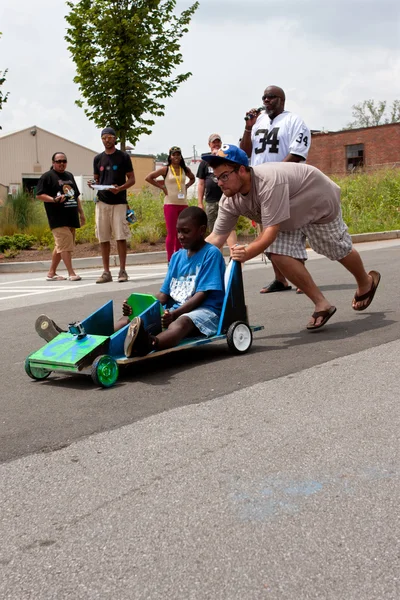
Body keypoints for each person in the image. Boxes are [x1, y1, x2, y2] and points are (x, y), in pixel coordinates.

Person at [204, 145, 381, 331]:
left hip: (315, 200)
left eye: (224, 176)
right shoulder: (229, 200)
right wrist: (188, 254)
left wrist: (245, 253)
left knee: (337, 249)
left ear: (241, 170)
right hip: (285, 215)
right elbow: (217, 236)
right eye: (217, 178)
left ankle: (365, 282)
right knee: (278, 253)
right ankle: (322, 304)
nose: (220, 183)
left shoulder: (268, 182)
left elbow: (270, 232)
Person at [35, 207, 226, 359]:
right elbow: (163, 295)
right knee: (130, 318)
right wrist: (137, 305)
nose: (181, 236)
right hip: (173, 309)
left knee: (182, 322)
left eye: (186, 231)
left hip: (204, 312)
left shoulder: (211, 254)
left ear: (202, 231)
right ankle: (76, 340)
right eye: (178, 232)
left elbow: (203, 294)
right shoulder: (177, 257)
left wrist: (175, 314)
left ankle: (149, 344)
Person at [240, 85, 311, 294]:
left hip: (284, 182)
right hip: (260, 184)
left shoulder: (294, 121)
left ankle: (301, 277)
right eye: (264, 97)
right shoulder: (258, 121)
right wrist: (247, 127)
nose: (266, 100)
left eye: (271, 97)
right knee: (266, 234)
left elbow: (297, 153)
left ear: (281, 99)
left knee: (290, 230)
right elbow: (245, 153)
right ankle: (280, 279)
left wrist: (277, 174)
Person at [89, 127, 136, 284]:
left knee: (120, 236)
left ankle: (122, 271)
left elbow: (132, 179)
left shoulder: (123, 157)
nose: (106, 140)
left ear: (115, 139)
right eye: (104, 137)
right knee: (103, 237)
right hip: (102, 201)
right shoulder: (97, 159)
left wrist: (120, 188)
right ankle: (106, 272)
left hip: (119, 201)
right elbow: (96, 179)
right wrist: (93, 184)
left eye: (109, 137)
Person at [36, 152, 85, 282]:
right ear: (53, 163)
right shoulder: (47, 176)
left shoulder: (69, 176)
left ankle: (51, 273)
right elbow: (39, 195)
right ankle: (71, 273)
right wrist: (54, 199)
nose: (61, 163)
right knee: (65, 245)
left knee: (61, 246)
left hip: (71, 216)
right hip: (57, 217)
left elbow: (76, 196)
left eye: (64, 161)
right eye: (58, 161)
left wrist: (81, 213)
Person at [145, 146, 195, 263]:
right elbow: (149, 178)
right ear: (170, 157)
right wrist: (162, 187)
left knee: (182, 232)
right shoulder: (166, 169)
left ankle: (180, 257)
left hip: (183, 204)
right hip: (170, 204)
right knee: (172, 232)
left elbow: (192, 178)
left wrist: (186, 186)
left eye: (178, 154)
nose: (176, 157)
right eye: (174, 155)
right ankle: (170, 259)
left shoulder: (184, 169)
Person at [197, 133, 237, 247]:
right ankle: (216, 260)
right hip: (211, 200)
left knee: (230, 228)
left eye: (218, 142)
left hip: (226, 198)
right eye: (214, 142)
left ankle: (235, 259)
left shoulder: (225, 159)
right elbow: (201, 183)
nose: (216, 144)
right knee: (214, 230)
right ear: (209, 144)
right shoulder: (205, 162)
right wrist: (200, 202)